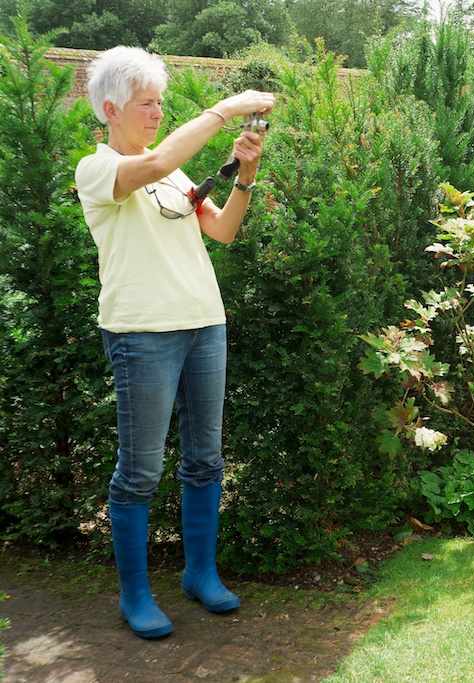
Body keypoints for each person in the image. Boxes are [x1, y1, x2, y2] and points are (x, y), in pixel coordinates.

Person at [75, 46, 274, 640]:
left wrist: (245, 175)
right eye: (145, 103)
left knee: (205, 460)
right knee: (139, 472)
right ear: (110, 109)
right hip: (142, 334)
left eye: (161, 102)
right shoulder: (98, 169)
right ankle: (135, 593)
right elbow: (159, 161)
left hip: (203, 325)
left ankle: (200, 575)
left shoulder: (177, 173)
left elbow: (224, 231)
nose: (157, 112)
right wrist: (224, 109)